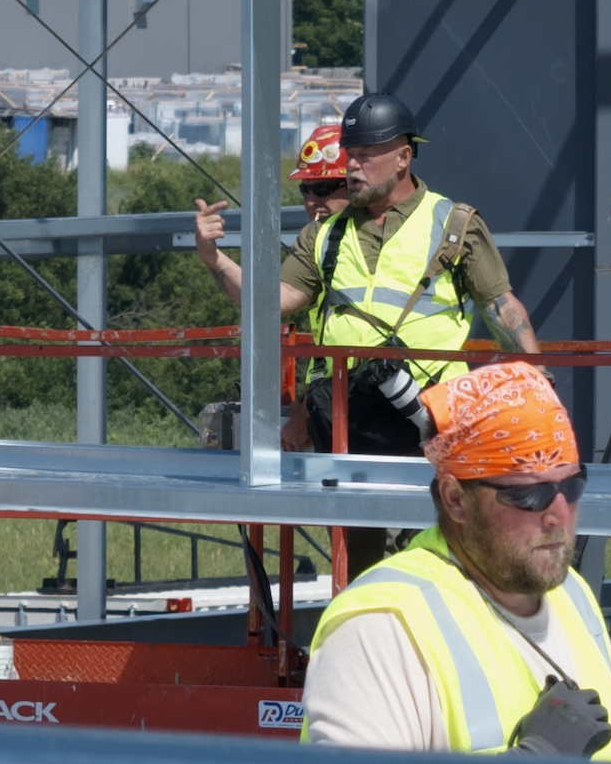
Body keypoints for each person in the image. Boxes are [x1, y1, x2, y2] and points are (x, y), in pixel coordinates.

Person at [194, 93, 542, 577]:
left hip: (434, 415)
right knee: (358, 553)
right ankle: (366, 633)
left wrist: (536, 395)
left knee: (445, 541)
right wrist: (216, 259)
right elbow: (270, 301)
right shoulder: (325, 235)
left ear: (403, 156)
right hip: (350, 416)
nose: (353, 165)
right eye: (350, 153)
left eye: (365, 155)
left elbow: (503, 307)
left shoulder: (454, 223)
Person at [300, 361, 611, 760]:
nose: (558, 514)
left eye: (571, 485)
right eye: (529, 494)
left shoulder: (573, 596)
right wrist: (534, 761)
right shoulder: (382, 625)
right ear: (456, 500)